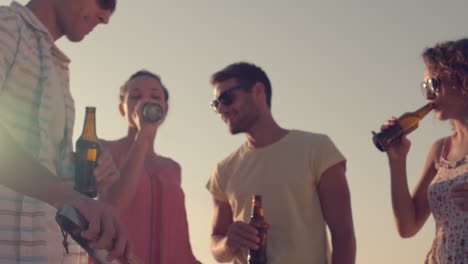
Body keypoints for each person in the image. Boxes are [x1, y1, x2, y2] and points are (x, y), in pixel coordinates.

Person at [0, 0, 132, 263]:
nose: (106, 18)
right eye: (104, 2)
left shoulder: (58, 68)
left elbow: (41, 171)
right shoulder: (7, 25)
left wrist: (85, 172)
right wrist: (67, 195)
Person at [206, 62, 356, 264]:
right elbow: (216, 244)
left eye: (226, 98)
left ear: (258, 91)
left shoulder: (317, 149)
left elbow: (343, 234)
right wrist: (228, 243)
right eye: (216, 104)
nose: (222, 109)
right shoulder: (223, 171)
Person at [379, 38, 468, 263]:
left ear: (463, 78)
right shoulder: (441, 151)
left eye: (434, 84)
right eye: (425, 86)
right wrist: (397, 160)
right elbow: (408, 227)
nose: (428, 95)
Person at [98, 70, 200, 264]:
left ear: (165, 109)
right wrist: (143, 135)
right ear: (122, 108)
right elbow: (112, 207)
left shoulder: (173, 168)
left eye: (155, 96)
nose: (146, 101)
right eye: (136, 96)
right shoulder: (105, 149)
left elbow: (179, 240)